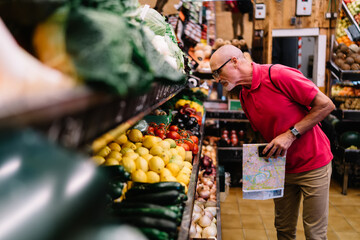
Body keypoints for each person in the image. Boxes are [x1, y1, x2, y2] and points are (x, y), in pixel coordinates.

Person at [210, 45, 335, 240]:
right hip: (282, 168)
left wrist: (290, 134)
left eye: (218, 72)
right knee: (283, 230)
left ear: (234, 61)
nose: (217, 79)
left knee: (315, 234)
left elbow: (326, 105)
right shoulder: (244, 95)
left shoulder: (279, 75)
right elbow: (265, 132)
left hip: (313, 164)